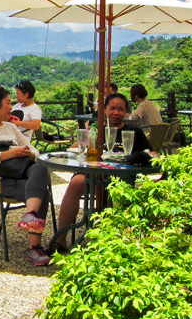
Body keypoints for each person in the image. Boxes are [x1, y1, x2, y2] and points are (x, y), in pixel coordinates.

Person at [55, 93, 152, 251]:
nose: (116, 112)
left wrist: (138, 157)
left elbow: (152, 154)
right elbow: (78, 148)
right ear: (105, 110)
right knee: (75, 183)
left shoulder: (133, 131)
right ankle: (60, 239)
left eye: (120, 109)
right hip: (93, 171)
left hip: (120, 176)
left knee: (111, 188)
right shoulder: (96, 130)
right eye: (112, 108)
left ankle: (107, 237)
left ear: (126, 111)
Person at [0, 86, 52, 266]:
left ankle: (30, 215)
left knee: (40, 169)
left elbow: (34, 149)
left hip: (20, 172)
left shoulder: (11, 127)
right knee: (43, 193)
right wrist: (11, 154)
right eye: (7, 103)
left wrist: (27, 152)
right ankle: (34, 247)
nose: (11, 107)